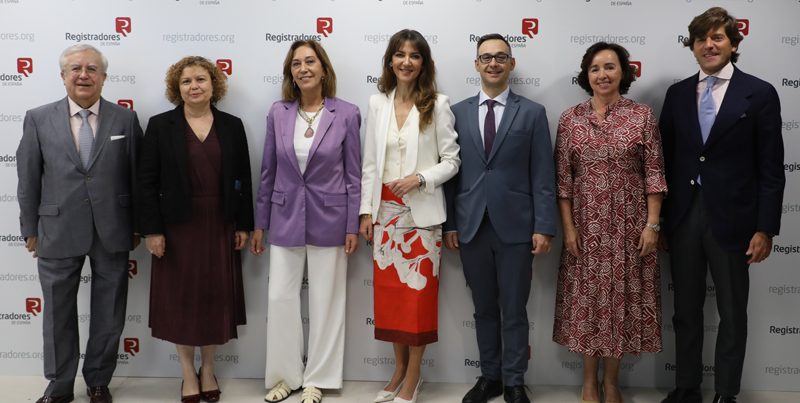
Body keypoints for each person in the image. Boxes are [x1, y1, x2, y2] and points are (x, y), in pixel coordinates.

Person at [659, 7, 785, 403]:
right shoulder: (677, 93)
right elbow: (663, 160)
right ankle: (686, 388)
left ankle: (726, 394)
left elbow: (771, 167)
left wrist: (765, 228)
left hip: (736, 220)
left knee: (731, 313)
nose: (708, 45)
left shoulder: (760, 93)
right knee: (685, 312)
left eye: (716, 38)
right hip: (682, 217)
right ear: (693, 47)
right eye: (701, 39)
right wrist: (660, 220)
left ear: (733, 44)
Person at [16, 44, 143, 403]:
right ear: (63, 76)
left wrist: (137, 226)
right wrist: (29, 229)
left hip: (114, 230)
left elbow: (136, 178)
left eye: (91, 69)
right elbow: (28, 178)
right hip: (55, 230)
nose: (83, 74)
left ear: (103, 77)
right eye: (75, 68)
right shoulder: (38, 118)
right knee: (57, 315)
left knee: (110, 313)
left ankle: (99, 381)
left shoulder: (125, 120)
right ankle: (58, 387)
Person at [443, 34, 556, 403]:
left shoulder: (533, 113)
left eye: (500, 57)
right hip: (471, 225)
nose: (493, 63)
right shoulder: (455, 112)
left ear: (511, 63)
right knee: (484, 309)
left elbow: (543, 176)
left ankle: (514, 381)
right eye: (486, 57)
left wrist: (543, 226)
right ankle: (489, 377)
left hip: (517, 228)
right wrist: (450, 224)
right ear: (476, 64)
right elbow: (450, 173)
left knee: (515, 310)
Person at [552, 42, 667, 403]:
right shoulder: (570, 119)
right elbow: (562, 181)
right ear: (586, 75)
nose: (602, 74)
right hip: (585, 227)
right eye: (595, 68)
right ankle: (588, 381)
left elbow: (655, 175)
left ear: (623, 72)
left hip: (629, 227)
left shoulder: (642, 116)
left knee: (620, 302)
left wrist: (652, 224)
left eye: (610, 67)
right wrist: (568, 229)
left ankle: (612, 381)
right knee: (588, 302)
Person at [137, 56, 254, 403]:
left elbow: (243, 179)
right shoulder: (160, 125)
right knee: (182, 301)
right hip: (177, 228)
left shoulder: (232, 125)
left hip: (221, 222)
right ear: (177, 89)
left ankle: (208, 369)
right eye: (186, 81)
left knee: (214, 298)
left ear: (214, 85)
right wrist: (152, 231)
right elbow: (145, 182)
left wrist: (243, 223)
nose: (194, 86)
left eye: (201, 79)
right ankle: (188, 372)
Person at [252, 40, 361, 403]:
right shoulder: (278, 112)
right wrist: (259, 223)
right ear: (290, 73)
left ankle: (317, 378)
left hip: (331, 216)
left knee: (326, 302)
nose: (303, 68)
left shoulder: (346, 113)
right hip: (283, 216)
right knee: (281, 298)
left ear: (324, 69)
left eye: (310, 61)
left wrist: (351, 225)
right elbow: (267, 171)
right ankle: (285, 377)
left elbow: (354, 176)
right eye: (296, 63)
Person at [359, 29, 460, 403]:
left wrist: (420, 178)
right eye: (399, 55)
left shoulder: (438, 103)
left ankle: (414, 374)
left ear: (424, 64)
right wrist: (366, 212)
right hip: (384, 214)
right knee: (390, 298)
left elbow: (452, 161)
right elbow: (370, 164)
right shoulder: (376, 103)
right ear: (390, 61)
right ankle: (397, 370)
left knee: (417, 297)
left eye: (414, 56)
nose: (406, 61)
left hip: (422, 217)